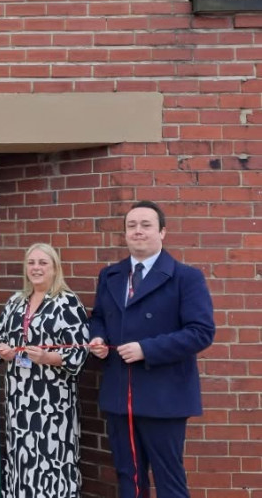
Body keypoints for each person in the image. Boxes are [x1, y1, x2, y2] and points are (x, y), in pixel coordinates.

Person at [88, 201, 215, 498]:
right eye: (131, 226)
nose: (138, 231)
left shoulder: (186, 277)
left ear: (162, 232)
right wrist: (98, 339)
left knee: (168, 479)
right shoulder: (110, 275)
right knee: (128, 477)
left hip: (164, 397)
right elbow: (98, 318)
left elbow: (201, 332)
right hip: (121, 394)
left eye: (146, 225)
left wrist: (147, 349)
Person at [0, 242, 90, 498]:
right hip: (19, 401)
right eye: (31, 263)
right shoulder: (16, 301)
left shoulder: (67, 303)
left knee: (51, 460)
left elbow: (80, 351)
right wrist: (4, 351)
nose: (36, 268)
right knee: (21, 459)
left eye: (43, 263)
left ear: (55, 268)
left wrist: (49, 357)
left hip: (52, 404)